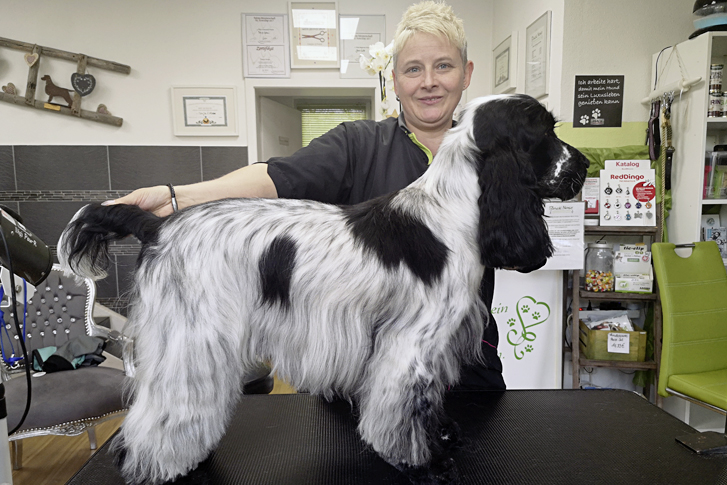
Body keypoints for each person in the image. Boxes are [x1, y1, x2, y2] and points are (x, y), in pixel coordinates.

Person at [105, 1, 505, 390]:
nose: (429, 82)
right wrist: (179, 198)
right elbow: (275, 178)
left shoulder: (496, 161)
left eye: (444, 66)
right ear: (394, 80)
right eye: (413, 69)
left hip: (467, 366)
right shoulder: (358, 145)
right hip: (363, 377)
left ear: (466, 73)